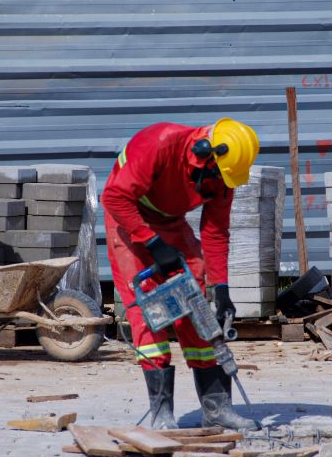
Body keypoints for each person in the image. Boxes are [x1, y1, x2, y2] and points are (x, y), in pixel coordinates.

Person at [101, 118, 260, 431]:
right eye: (218, 174)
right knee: (150, 312)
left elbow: (215, 232)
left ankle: (217, 409)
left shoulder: (222, 175)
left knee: (199, 310)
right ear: (205, 153)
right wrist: (152, 243)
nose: (220, 183)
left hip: (170, 223)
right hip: (128, 219)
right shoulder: (159, 143)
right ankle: (162, 415)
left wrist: (222, 288)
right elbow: (115, 197)